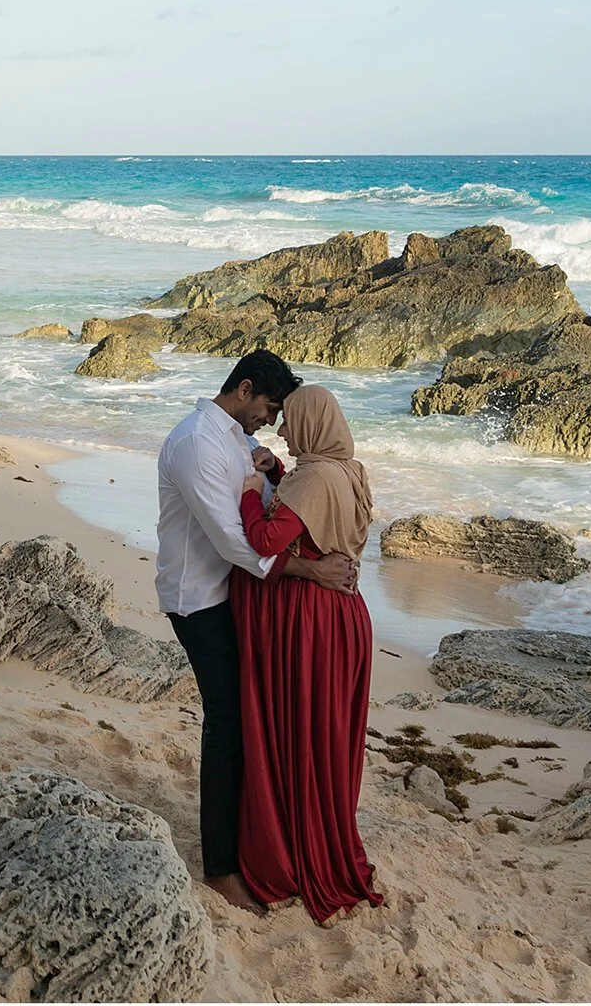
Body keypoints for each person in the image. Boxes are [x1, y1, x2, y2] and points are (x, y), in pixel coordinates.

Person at [156, 351, 357, 916]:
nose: (271, 424)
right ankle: (220, 868)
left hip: (239, 597)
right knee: (229, 724)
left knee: (254, 719)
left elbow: (272, 509)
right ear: (244, 390)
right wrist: (312, 570)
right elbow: (232, 541)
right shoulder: (197, 442)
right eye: (268, 409)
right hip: (200, 598)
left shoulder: (235, 439)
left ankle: (255, 847)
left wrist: (271, 473)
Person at [232, 383, 386, 924]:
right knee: (323, 738)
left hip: (311, 620)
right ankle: (318, 838)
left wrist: (253, 490)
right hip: (344, 616)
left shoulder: (316, 478)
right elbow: (318, 525)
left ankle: (296, 856)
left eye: (291, 419)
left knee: (301, 733)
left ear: (314, 423)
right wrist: (277, 474)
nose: (284, 430)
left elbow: (269, 540)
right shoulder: (348, 470)